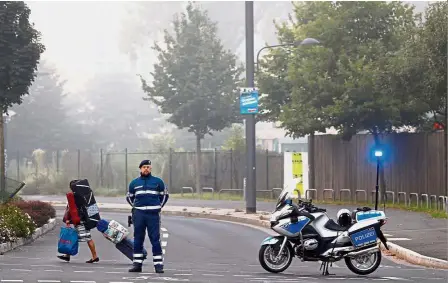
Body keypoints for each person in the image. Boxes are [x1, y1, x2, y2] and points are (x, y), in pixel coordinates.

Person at [126, 159, 169, 273]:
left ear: (150, 169)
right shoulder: (134, 183)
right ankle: (137, 264)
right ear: (140, 168)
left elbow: (164, 195)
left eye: (148, 167)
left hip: (153, 215)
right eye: (144, 167)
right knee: (138, 239)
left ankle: (158, 265)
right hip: (139, 214)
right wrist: (136, 207)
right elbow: (129, 197)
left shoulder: (158, 182)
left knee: (155, 239)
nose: (146, 169)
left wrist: (158, 206)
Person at [57, 182, 99, 264]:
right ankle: (67, 255)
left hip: (81, 221)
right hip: (85, 219)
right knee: (73, 236)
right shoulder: (85, 195)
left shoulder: (76, 196)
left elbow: (74, 210)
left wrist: (69, 219)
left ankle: (95, 256)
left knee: (87, 238)